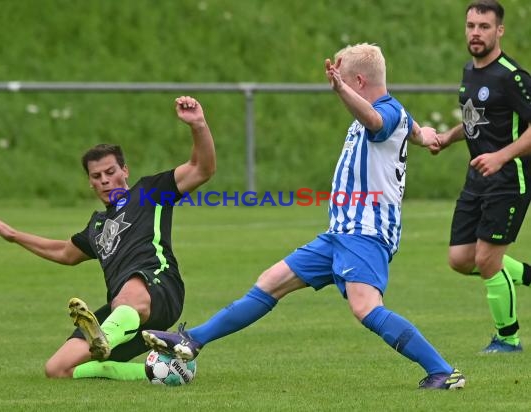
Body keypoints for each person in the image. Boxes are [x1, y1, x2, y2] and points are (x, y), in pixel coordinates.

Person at [143, 44, 466, 390]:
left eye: (343, 82)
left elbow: (376, 121)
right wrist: (431, 137)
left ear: (357, 81)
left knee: (365, 307)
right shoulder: (397, 115)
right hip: (340, 233)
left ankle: (443, 371)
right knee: (270, 282)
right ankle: (191, 340)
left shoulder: (383, 112)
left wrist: (341, 90)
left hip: (365, 232)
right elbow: (416, 131)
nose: (337, 90)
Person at [0, 95, 216, 380]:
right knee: (58, 369)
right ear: (90, 182)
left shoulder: (150, 191)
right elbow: (64, 253)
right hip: (123, 314)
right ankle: (165, 371)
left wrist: (198, 125)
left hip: (159, 287)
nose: (104, 179)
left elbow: (202, 168)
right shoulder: (96, 226)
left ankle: (106, 338)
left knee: (128, 291)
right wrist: (14, 235)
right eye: (97, 175)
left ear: (124, 171)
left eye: (110, 172)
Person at [429, 0, 531, 353]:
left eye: (484, 26)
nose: (476, 32)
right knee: (460, 259)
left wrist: (502, 157)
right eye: (471, 25)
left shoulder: (512, 76)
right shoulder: (470, 72)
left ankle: (508, 339)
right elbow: (477, 119)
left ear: (499, 30)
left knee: (487, 260)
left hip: (508, 178)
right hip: (478, 180)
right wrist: (448, 137)